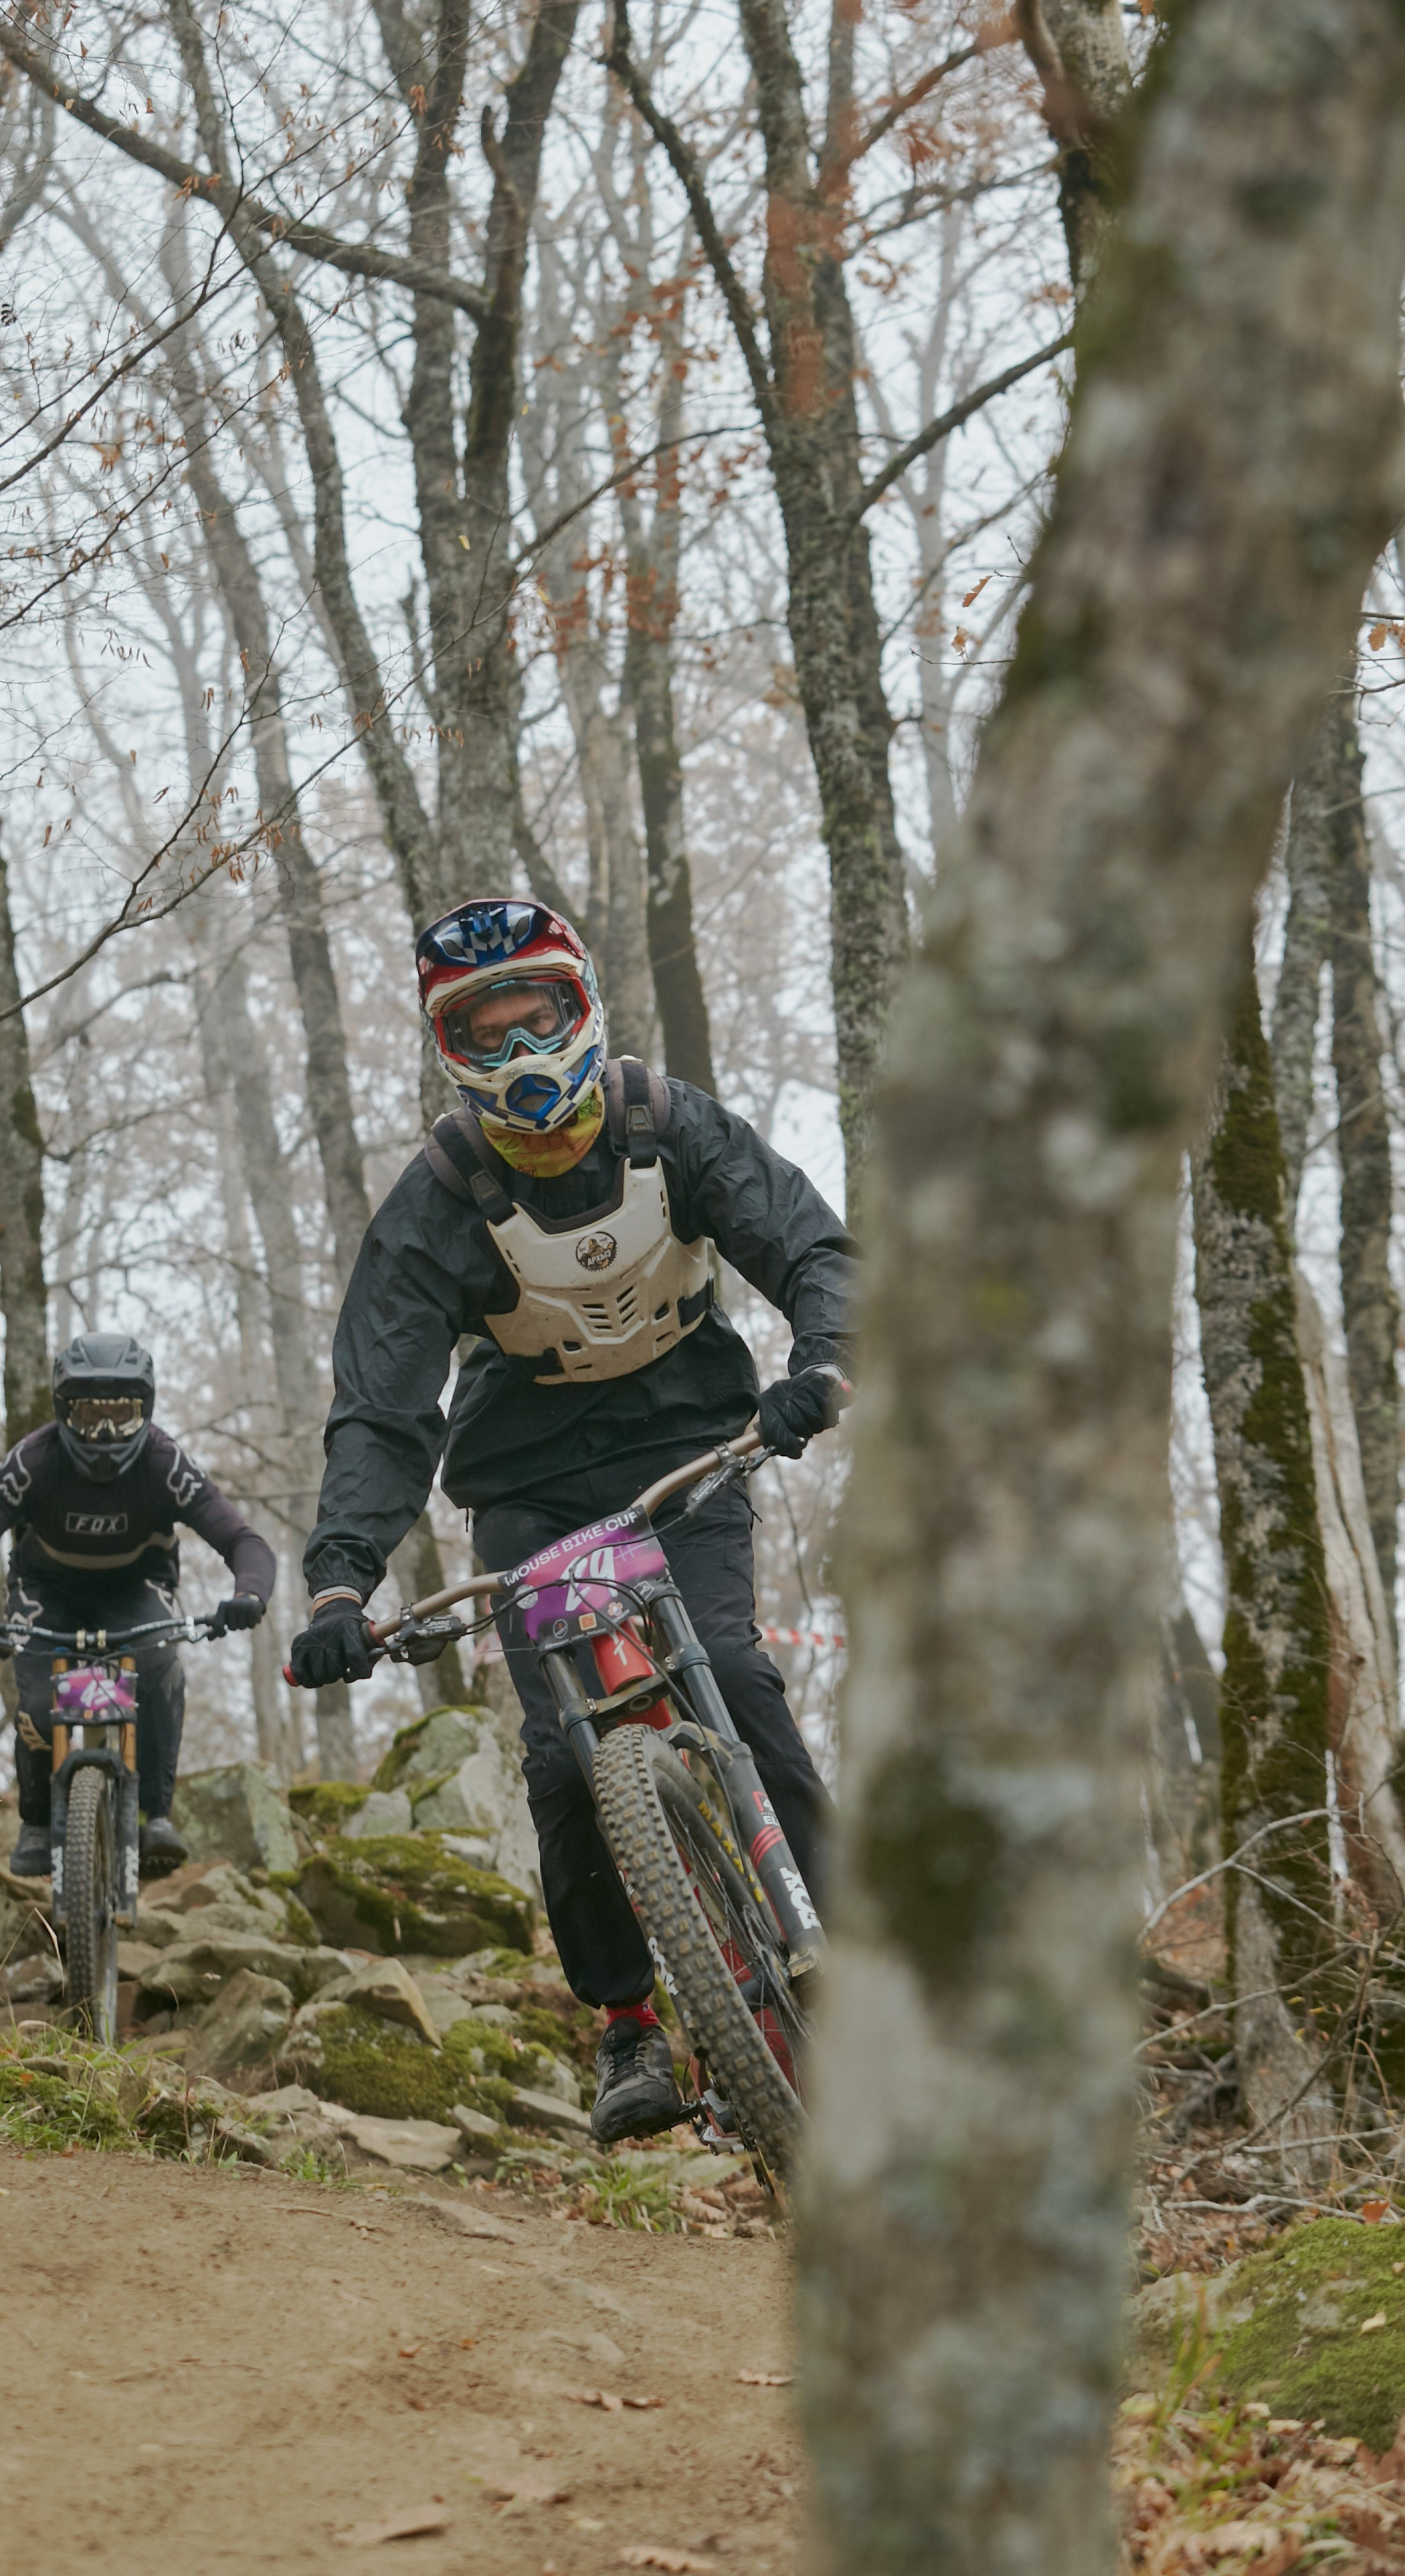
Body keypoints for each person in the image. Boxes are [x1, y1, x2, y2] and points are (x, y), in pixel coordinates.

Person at [288, 898, 854, 2147]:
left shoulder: (669, 1125)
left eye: (535, 1019)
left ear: (580, 1006)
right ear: (450, 1050)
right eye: (482, 1035)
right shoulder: (442, 1198)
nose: (519, 1053)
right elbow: (381, 1406)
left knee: (736, 1675)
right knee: (563, 1756)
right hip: (530, 1488)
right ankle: (629, 2024)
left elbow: (812, 1247)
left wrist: (821, 1363)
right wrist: (339, 1583)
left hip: (688, 1455)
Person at [0, 1332, 274, 1879]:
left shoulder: (165, 1462)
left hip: (136, 1589)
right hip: (47, 1593)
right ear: (65, 1410)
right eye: (91, 1415)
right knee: (38, 1704)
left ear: (146, 1410)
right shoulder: (33, 1461)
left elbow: (242, 1540)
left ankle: (155, 1815)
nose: (106, 1433)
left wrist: (248, 1594)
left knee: (159, 1672)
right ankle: (37, 1822)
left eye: (121, 1415)